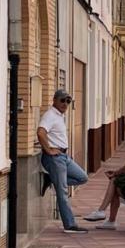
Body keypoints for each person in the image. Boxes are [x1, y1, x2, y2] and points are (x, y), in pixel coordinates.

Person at [38, 89, 89, 234]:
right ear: (54, 100)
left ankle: (51, 179)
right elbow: (41, 132)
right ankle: (70, 225)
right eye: (62, 100)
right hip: (54, 158)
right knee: (63, 191)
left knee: (82, 177)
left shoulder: (59, 116)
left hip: (63, 156)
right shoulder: (50, 115)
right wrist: (48, 150)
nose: (65, 104)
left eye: (68, 101)